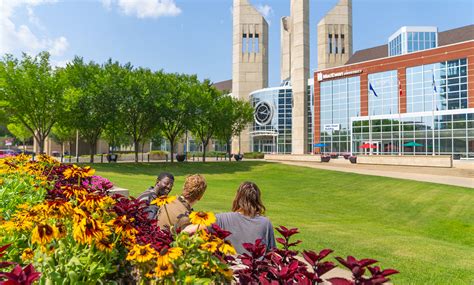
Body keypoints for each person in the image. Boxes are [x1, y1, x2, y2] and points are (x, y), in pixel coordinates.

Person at [215, 181, 276, 255]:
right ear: (257, 199)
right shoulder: (265, 223)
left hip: (229, 265)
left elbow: (198, 229)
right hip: (254, 266)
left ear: (237, 197)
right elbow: (271, 254)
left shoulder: (221, 218)